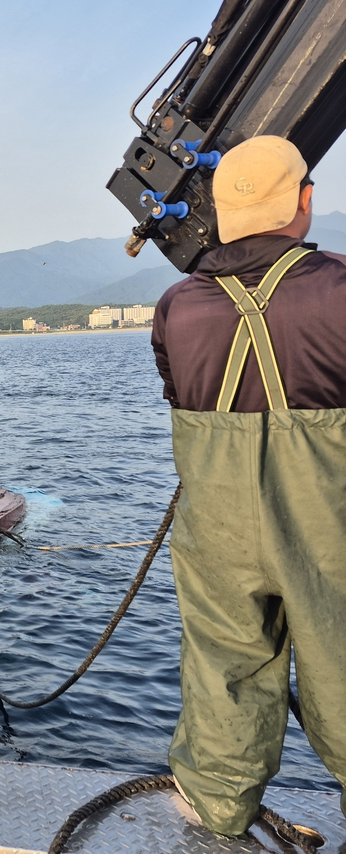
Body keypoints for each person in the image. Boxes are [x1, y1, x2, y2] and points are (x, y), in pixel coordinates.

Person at [152, 135, 346, 836]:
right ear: (304, 200)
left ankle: (217, 810)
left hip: (218, 526)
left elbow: (177, 391)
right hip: (329, 523)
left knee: (224, 668)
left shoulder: (177, 306)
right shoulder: (340, 289)